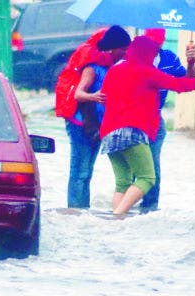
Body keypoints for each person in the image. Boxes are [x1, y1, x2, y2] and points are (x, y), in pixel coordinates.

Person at [99, 35, 195, 215]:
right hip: (132, 131)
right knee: (147, 178)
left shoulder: (115, 70)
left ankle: (117, 224)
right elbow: (178, 84)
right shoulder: (148, 72)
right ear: (147, 54)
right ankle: (117, 215)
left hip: (108, 133)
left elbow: (104, 97)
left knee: (122, 183)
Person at [65, 25, 131, 208]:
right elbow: (78, 94)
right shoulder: (92, 67)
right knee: (80, 171)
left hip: (96, 126)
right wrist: (93, 97)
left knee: (87, 171)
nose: (125, 53)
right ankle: (76, 212)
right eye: (123, 49)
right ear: (112, 48)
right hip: (80, 125)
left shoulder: (111, 67)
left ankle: (80, 213)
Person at [137, 28, 195, 214]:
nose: (154, 46)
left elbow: (188, 81)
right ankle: (125, 207)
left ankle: (149, 208)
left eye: (157, 42)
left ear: (162, 42)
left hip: (155, 120)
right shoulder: (133, 58)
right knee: (134, 165)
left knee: (152, 164)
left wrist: (191, 62)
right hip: (133, 118)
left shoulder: (168, 59)